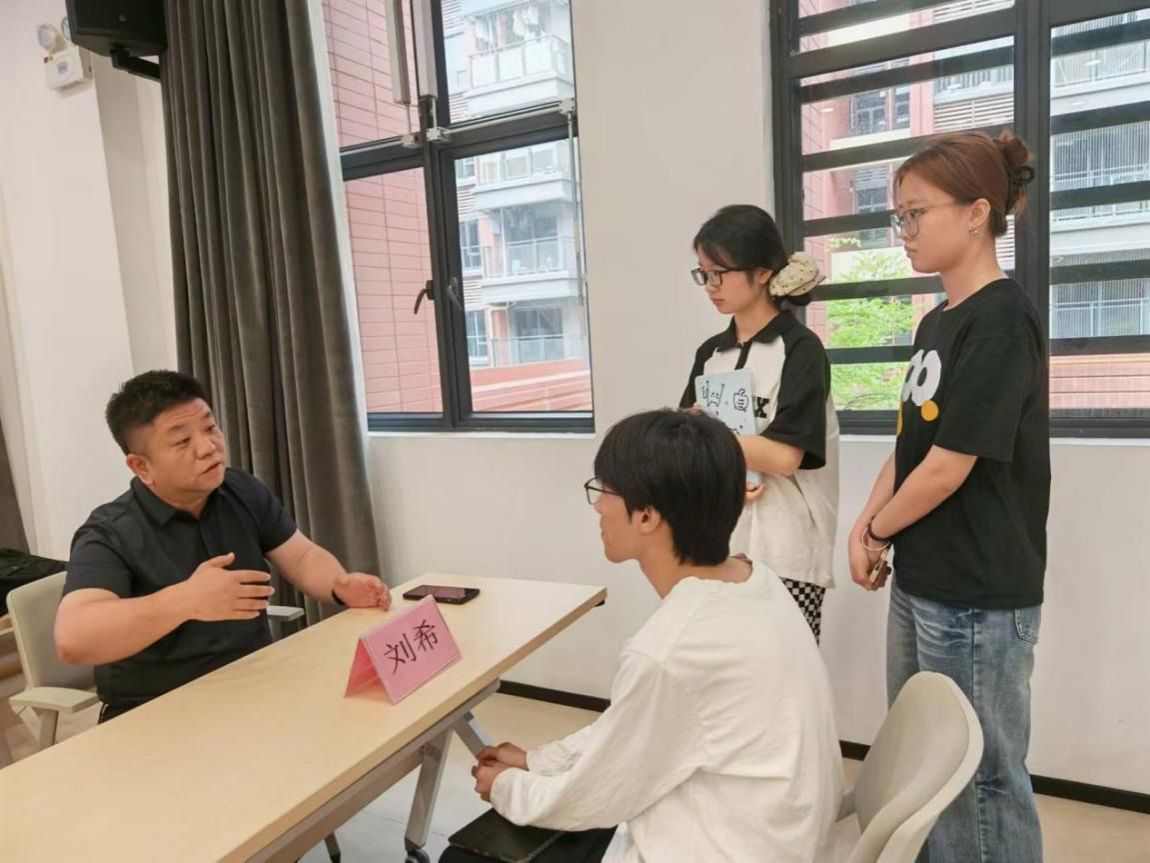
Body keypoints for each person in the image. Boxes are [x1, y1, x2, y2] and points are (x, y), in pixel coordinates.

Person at [443, 409, 842, 863]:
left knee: (461, 858)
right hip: (778, 835)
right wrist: (539, 761)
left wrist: (506, 786)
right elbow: (631, 731)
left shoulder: (672, 649)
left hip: (732, 846)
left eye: (605, 490)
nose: (597, 506)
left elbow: (593, 797)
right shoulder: (757, 580)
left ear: (648, 516)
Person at [848, 131, 1046, 863]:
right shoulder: (936, 321)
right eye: (897, 216)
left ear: (976, 212)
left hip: (976, 592)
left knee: (980, 779)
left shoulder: (1002, 318)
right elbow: (912, 444)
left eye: (915, 213)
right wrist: (866, 525)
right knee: (924, 769)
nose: (902, 230)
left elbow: (949, 467)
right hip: (924, 577)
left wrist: (877, 530)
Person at [55, 370, 390, 721]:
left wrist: (339, 584)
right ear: (141, 466)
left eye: (210, 427)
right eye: (182, 441)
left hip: (254, 685)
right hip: (156, 710)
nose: (208, 447)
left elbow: (302, 556)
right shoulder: (109, 533)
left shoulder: (240, 490)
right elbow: (73, 638)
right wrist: (185, 600)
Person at [680, 204, 838, 641]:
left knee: (787, 667)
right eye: (703, 274)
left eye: (720, 273)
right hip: (720, 543)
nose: (711, 286)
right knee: (726, 667)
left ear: (764, 272)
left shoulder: (801, 349)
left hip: (787, 551)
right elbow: (686, 445)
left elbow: (785, 457)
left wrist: (710, 435)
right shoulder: (711, 353)